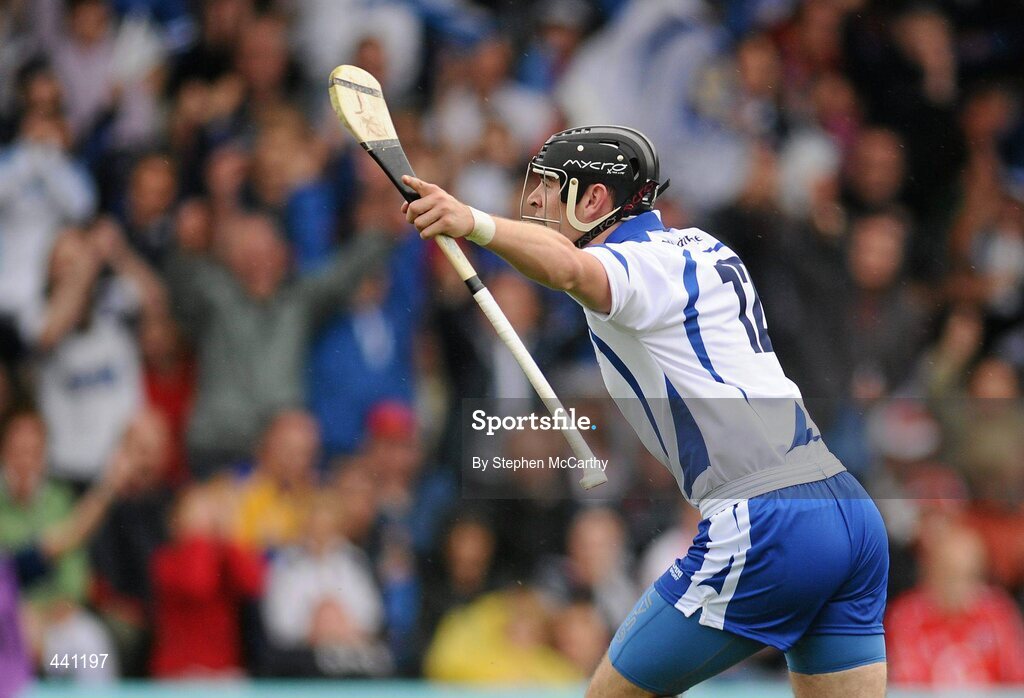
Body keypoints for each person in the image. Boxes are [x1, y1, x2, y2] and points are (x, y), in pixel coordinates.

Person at [401, 125, 889, 697]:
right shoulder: (703, 245)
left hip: (765, 518)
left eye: (550, 188)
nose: (531, 201)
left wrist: (473, 222)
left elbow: (568, 270)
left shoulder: (637, 265)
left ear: (595, 200)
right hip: (849, 508)